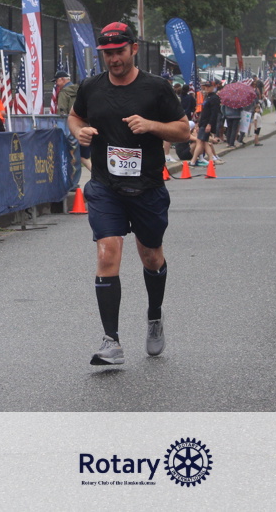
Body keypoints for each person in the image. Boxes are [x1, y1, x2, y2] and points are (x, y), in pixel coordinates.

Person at [68, 22, 190, 366]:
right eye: (107, 54)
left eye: (119, 51)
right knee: (108, 252)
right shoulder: (91, 87)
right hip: (105, 186)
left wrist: (151, 126)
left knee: (151, 256)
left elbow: (183, 130)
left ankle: (154, 317)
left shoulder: (157, 88)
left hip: (147, 187)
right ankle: (112, 341)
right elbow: (74, 117)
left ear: (133, 49)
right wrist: (80, 132)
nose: (114, 59)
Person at [191, 81, 220, 166]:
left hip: (207, 123)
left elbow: (214, 113)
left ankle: (193, 161)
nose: (206, 88)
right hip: (203, 122)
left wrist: (210, 124)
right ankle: (211, 160)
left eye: (208, 87)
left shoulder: (214, 98)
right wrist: (198, 123)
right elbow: (203, 112)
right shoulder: (207, 97)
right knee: (204, 142)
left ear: (213, 87)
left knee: (200, 141)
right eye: (205, 87)